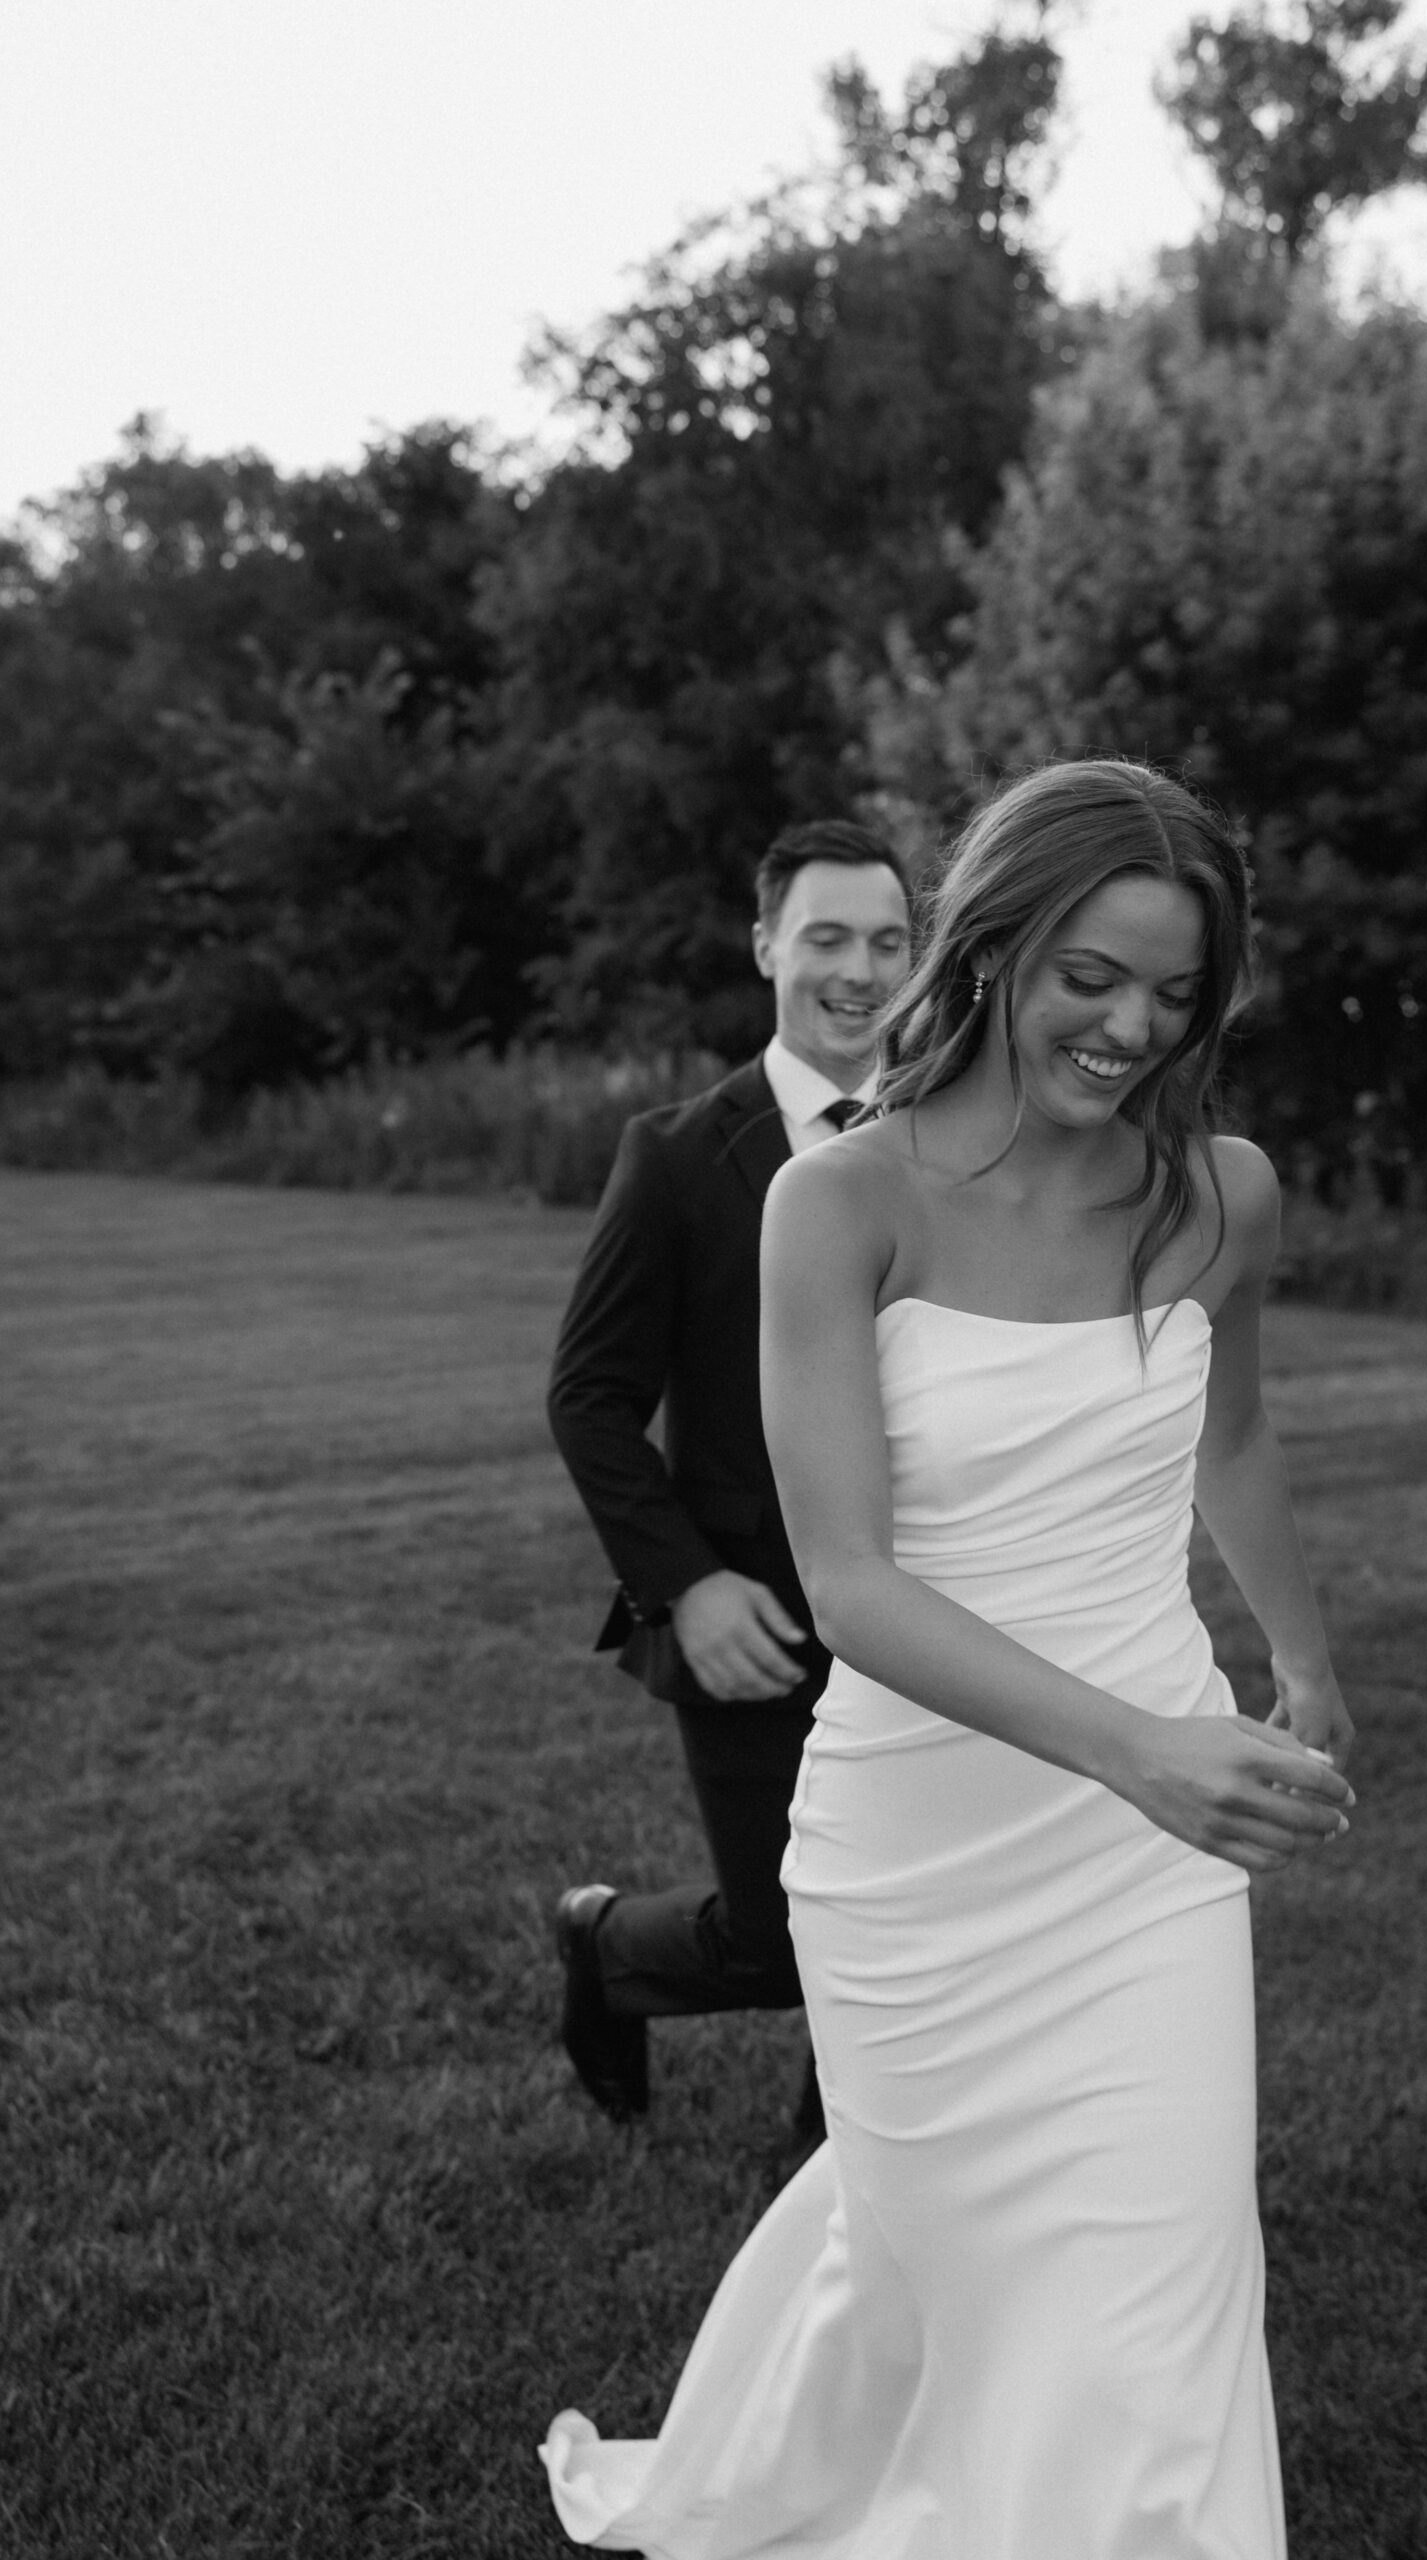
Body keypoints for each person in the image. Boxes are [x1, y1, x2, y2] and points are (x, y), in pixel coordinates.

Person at [542, 759, 1356, 2558]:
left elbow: (1230, 1439)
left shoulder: (1222, 1190)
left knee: (1156, 2289)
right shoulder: (840, 1201)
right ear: (993, 946)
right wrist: (1140, 1748)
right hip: (918, 1842)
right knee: (941, 2262)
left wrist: (1298, 1659)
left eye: (1175, 992)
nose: (1132, 1028)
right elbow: (848, 1585)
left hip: (1146, 1860)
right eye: (1092, 977)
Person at [546, 819, 912, 2137]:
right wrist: (687, 1586)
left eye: (889, 941)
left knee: (901, 1923)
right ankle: (604, 1944)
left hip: (932, 1604)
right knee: (780, 1941)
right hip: (757, 1618)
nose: (859, 971)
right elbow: (589, 1399)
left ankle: (838, 2179)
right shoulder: (682, 1156)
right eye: (828, 938)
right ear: (765, 945)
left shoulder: (958, 1141)